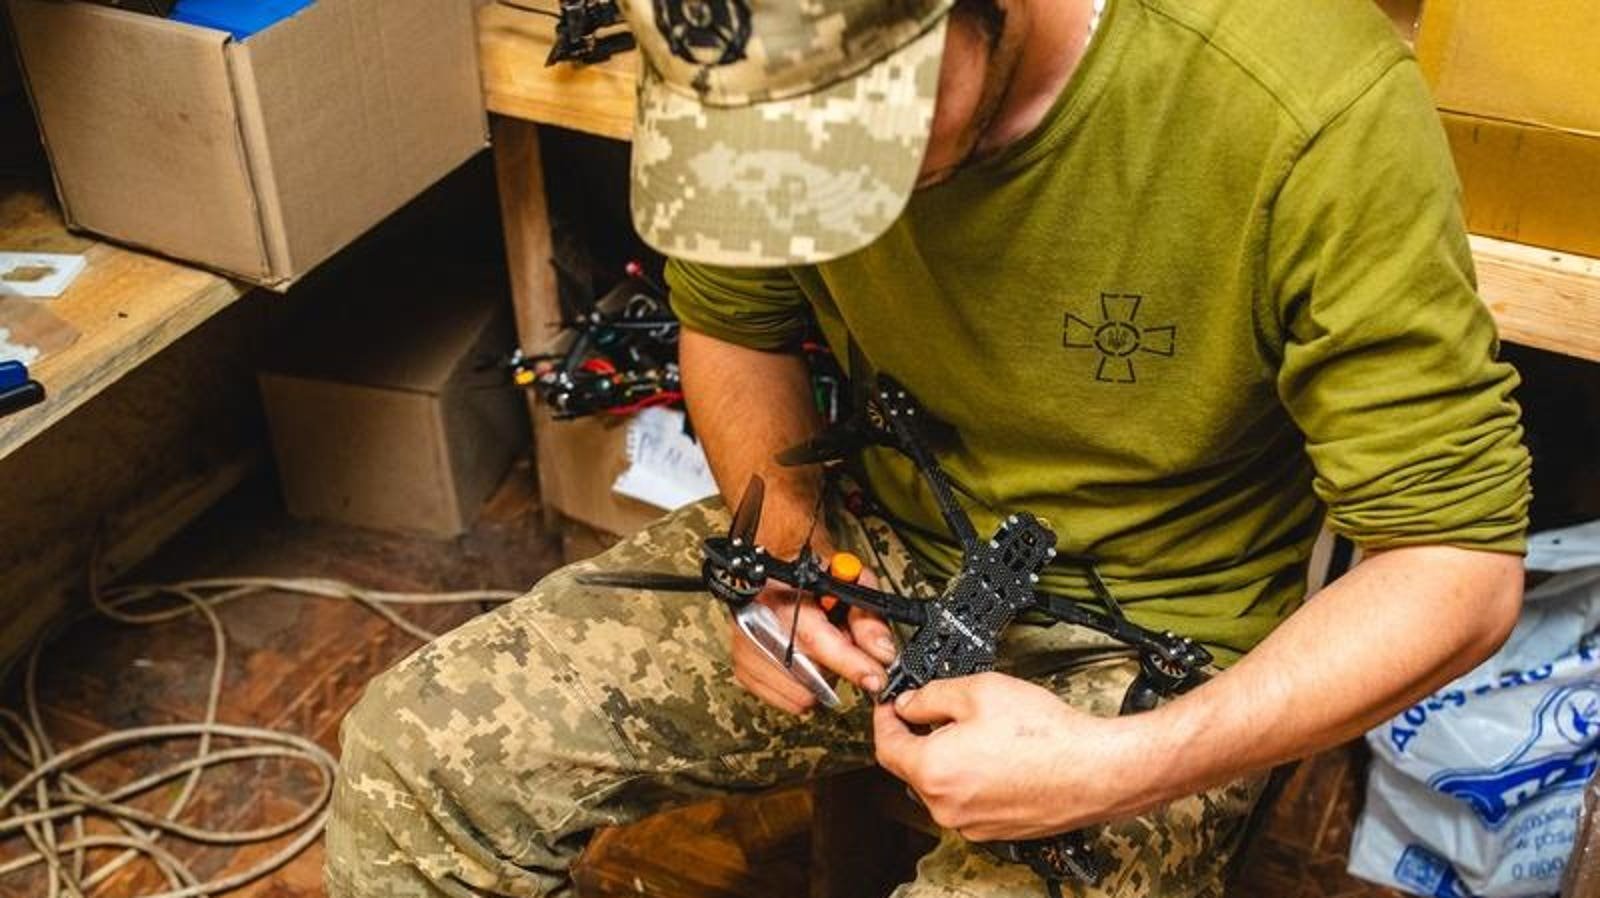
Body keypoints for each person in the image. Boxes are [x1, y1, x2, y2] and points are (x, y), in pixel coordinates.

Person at [324, 0, 1533, 895]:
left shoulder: (1302, 104)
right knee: (416, 757)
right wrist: (783, 554)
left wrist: (1122, 765)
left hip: (1154, 635)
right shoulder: (729, 52)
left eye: (861, 133)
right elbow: (731, 324)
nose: (819, 190)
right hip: (873, 551)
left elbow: (1456, 569)